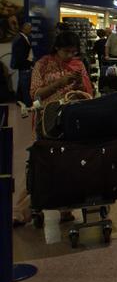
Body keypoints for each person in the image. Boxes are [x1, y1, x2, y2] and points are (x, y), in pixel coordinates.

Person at [13, 31, 94, 226]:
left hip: (71, 123)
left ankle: (64, 209)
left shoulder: (78, 65)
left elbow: (88, 93)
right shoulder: (42, 64)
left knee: (67, 166)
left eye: (73, 52)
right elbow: (35, 95)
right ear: (57, 48)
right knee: (41, 165)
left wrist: (79, 84)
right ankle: (21, 210)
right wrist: (60, 83)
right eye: (66, 51)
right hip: (46, 124)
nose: (70, 56)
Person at [11, 22, 33, 106]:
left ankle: (19, 100)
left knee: (21, 84)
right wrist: (29, 64)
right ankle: (27, 103)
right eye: (29, 28)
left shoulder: (22, 37)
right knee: (25, 85)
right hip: (24, 66)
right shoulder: (20, 39)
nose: (31, 30)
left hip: (23, 65)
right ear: (24, 29)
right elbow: (21, 56)